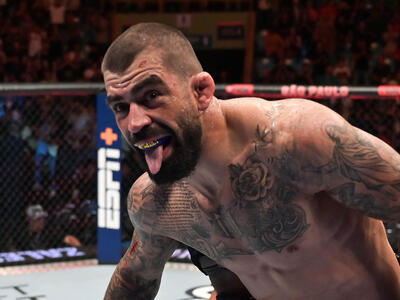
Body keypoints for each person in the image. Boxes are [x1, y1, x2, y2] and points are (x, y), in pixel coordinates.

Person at [101, 22, 400, 299]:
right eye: (120, 107)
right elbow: (134, 282)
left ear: (201, 91)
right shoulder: (153, 202)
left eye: (152, 95)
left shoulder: (297, 141)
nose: (135, 122)